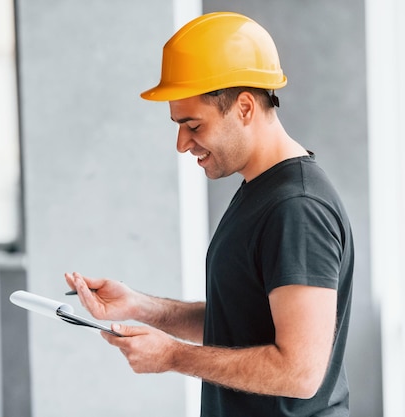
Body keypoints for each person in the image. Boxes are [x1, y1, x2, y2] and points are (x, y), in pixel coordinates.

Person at [65, 11, 354, 417]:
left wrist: (172, 356)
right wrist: (140, 307)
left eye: (194, 125)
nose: (182, 143)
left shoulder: (297, 208)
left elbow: (300, 372)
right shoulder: (262, 191)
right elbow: (242, 322)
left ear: (245, 108)